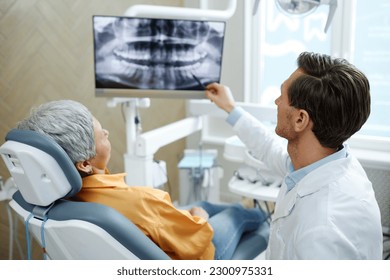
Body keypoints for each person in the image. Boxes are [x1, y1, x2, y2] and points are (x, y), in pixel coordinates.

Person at [16, 99, 267, 260]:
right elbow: (197, 241)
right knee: (235, 213)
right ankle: (264, 218)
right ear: (84, 163)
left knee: (206, 204)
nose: (106, 132)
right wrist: (199, 217)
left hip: (160, 235)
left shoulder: (59, 200)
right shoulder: (140, 201)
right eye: (99, 134)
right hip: (199, 259)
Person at [205, 51, 383, 259]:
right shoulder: (325, 160)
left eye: (282, 95)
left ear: (301, 119)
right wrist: (230, 108)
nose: (276, 101)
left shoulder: (322, 231)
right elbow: (269, 147)